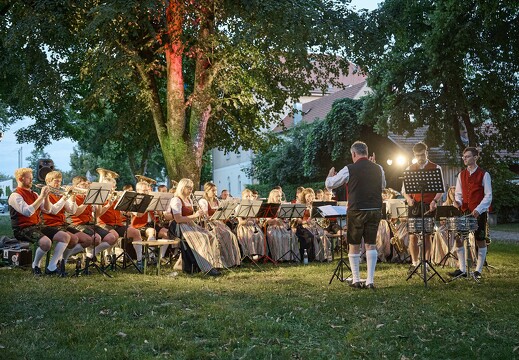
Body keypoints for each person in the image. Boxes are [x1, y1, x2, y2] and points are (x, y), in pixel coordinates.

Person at [325, 141, 386, 289]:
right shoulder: (379, 168)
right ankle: (370, 281)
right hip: (374, 209)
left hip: (356, 210)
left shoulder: (349, 169)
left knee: (354, 245)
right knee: (371, 244)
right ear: (366, 152)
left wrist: (329, 176)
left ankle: (356, 280)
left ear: (353, 154)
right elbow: (383, 186)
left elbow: (330, 185)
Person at [8, 168, 71, 275]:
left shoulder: (34, 195)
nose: (32, 180)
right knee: (46, 243)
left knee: (65, 237)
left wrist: (45, 197)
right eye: (29, 178)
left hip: (37, 225)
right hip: (22, 228)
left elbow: (48, 210)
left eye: (32, 178)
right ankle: (35, 265)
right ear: (20, 179)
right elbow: (27, 212)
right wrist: (41, 196)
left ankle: (51, 267)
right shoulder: (15, 195)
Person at [448, 147, 492, 280]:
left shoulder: (484, 174)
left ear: (475, 157)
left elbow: (488, 195)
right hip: (464, 211)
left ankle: (478, 270)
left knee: (480, 239)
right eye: (464, 157)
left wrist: (479, 209)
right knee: (459, 238)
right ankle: (462, 269)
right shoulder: (461, 174)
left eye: (467, 156)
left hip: (479, 211)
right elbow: (459, 193)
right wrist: (457, 202)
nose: (465, 159)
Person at [402, 142, 444, 269]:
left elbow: (440, 190)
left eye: (422, 155)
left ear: (426, 153)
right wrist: (408, 199)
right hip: (414, 206)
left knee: (427, 235)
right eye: (417, 155)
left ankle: (425, 263)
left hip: (429, 205)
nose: (420, 158)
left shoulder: (436, 168)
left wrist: (434, 201)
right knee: (413, 236)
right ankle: (415, 263)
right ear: (414, 154)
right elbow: (404, 190)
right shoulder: (409, 169)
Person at [42, 171, 92, 273]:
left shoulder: (60, 194)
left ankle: (62, 262)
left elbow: (72, 210)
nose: (59, 184)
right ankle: (52, 265)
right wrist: (65, 197)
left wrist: (72, 197)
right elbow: (54, 210)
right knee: (71, 238)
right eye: (56, 181)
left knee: (85, 239)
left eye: (60, 181)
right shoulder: (45, 195)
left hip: (62, 224)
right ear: (48, 181)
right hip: (49, 224)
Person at [170, 178, 221, 275]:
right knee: (203, 238)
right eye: (188, 188)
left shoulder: (188, 199)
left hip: (189, 225)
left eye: (191, 188)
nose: (191, 190)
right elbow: (178, 219)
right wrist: (195, 215)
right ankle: (205, 268)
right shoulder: (176, 200)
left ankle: (213, 264)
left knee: (211, 235)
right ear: (182, 188)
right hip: (179, 227)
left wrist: (198, 216)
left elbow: (191, 216)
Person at [198, 182, 241, 267]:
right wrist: (216, 216)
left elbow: (222, 215)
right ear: (207, 191)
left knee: (231, 235)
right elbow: (205, 217)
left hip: (219, 223)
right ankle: (223, 261)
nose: (215, 192)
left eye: (216, 190)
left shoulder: (217, 201)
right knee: (226, 234)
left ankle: (232, 261)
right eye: (213, 190)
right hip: (208, 225)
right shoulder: (203, 201)